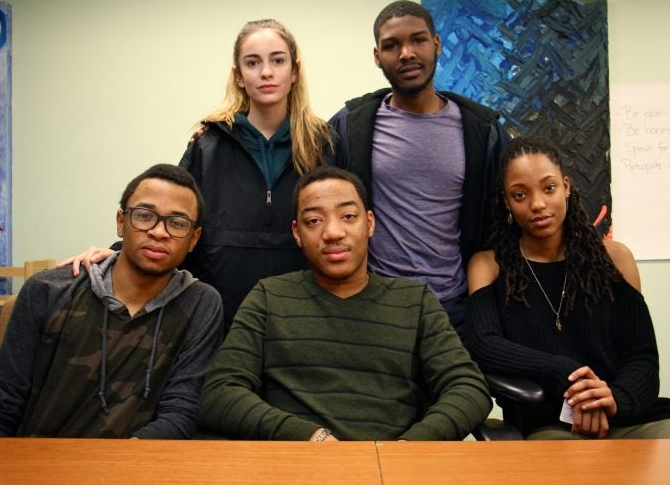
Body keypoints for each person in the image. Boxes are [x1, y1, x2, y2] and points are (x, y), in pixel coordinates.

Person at [60, 19, 335, 335]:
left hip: (302, 315)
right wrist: (120, 254)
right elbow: (174, 217)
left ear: (295, 70)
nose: (267, 72)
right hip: (216, 317)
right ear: (238, 76)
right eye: (253, 62)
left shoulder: (324, 145)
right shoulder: (208, 145)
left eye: (277, 60)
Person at [199, 166, 491, 441]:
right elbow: (221, 392)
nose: (333, 233)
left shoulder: (415, 301)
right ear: (297, 233)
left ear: (370, 223)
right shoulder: (269, 296)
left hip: (390, 471)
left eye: (348, 216)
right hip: (295, 466)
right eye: (314, 221)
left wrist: (410, 448)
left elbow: (469, 388)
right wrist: (309, 438)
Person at [464, 136, 670, 439]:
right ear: (506, 201)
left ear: (566, 187)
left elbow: (641, 355)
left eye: (549, 188)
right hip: (552, 425)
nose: (538, 204)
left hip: (630, 417)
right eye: (520, 195)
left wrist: (612, 401)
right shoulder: (488, 266)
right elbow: (484, 344)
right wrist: (567, 374)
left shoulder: (616, 258)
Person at [0, 164, 224, 438]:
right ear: (120, 222)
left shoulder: (200, 304)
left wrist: (117, 468)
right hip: (39, 463)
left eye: (177, 223)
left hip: (136, 466)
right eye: (144, 215)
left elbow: (181, 413)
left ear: (193, 239)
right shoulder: (49, 290)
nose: (159, 232)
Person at [329, 0, 509, 340]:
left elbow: (506, 221)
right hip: (372, 305)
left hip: (455, 308)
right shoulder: (350, 125)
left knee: (457, 394)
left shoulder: (482, 131)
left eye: (418, 40)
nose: (406, 53)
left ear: (437, 44)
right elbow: (299, 160)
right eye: (392, 45)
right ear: (377, 56)